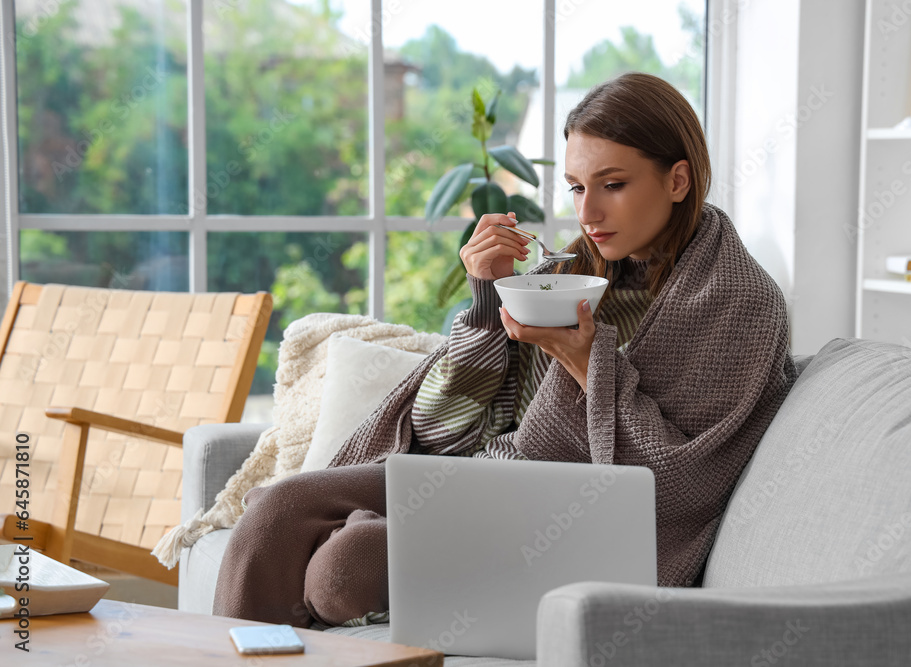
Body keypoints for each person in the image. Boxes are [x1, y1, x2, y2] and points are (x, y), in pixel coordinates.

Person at [213, 71, 798, 629]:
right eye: (576, 187)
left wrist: (586, 362)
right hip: (488, 478)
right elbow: (444, 432)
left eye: (613, 185)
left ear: (678, 179)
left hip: (574, 522)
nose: (587, 213)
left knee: (346, 567)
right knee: (276, 509)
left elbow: (676, 489)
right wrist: (489, 302)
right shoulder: (570, 275)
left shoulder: (739, 304)